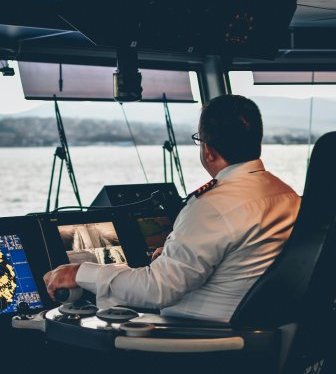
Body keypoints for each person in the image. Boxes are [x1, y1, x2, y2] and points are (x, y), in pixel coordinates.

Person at [44, 95, 301, 322]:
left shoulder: (212, 205)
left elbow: (159, 289)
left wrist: (81, 272)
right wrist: (173, 256)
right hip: (261, 327)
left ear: (209, 151)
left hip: (205, 336)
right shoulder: (286, 194)